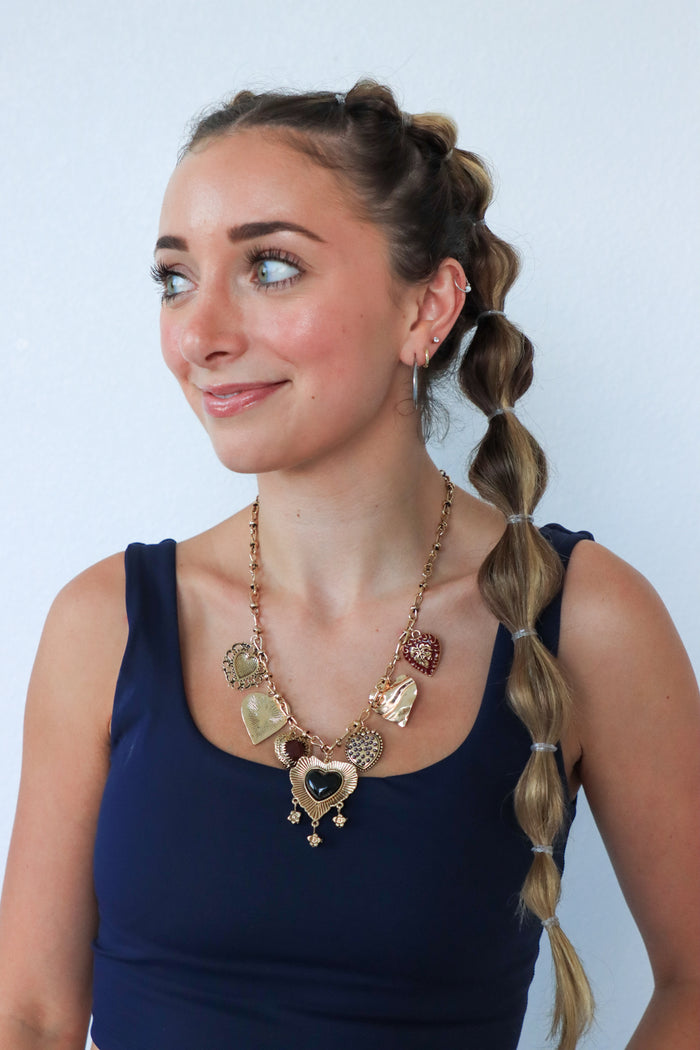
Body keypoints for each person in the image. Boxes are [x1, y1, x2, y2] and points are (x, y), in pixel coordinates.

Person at [0, 80, 698, 1050]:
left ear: (427, 308)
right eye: (174, 278)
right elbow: (27, 1019)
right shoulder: (106, 623)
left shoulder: (581, 618)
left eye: (270, 267)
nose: (199, 335)